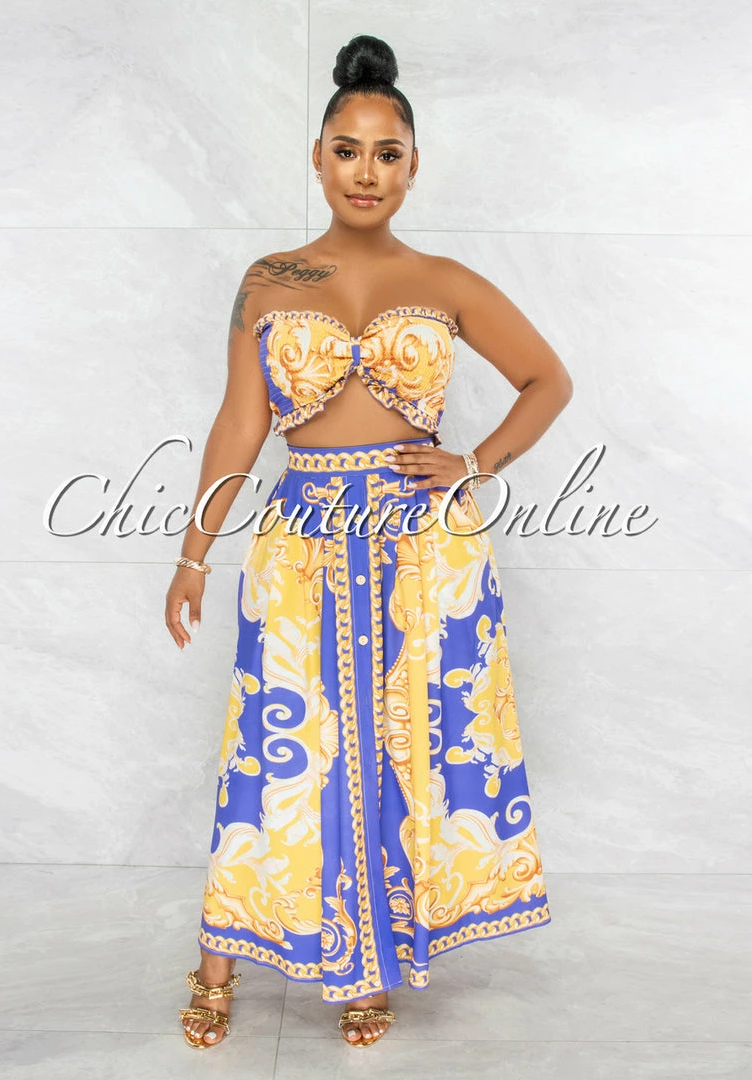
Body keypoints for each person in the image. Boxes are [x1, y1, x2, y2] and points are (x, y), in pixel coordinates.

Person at [167, 33, 572, 1051]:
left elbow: (548, 381)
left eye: (387, 154)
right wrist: (192, 551)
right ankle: (220, 954)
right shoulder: (271, 279)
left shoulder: (444, 279)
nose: (365, 171)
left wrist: (473, 463)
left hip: (423, 546)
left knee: (406, 746)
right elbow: (240, 423)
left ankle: (373, 959)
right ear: (317, 158)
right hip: (302, 537)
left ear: (413, 166)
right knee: (278, 748)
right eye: (347, 150)